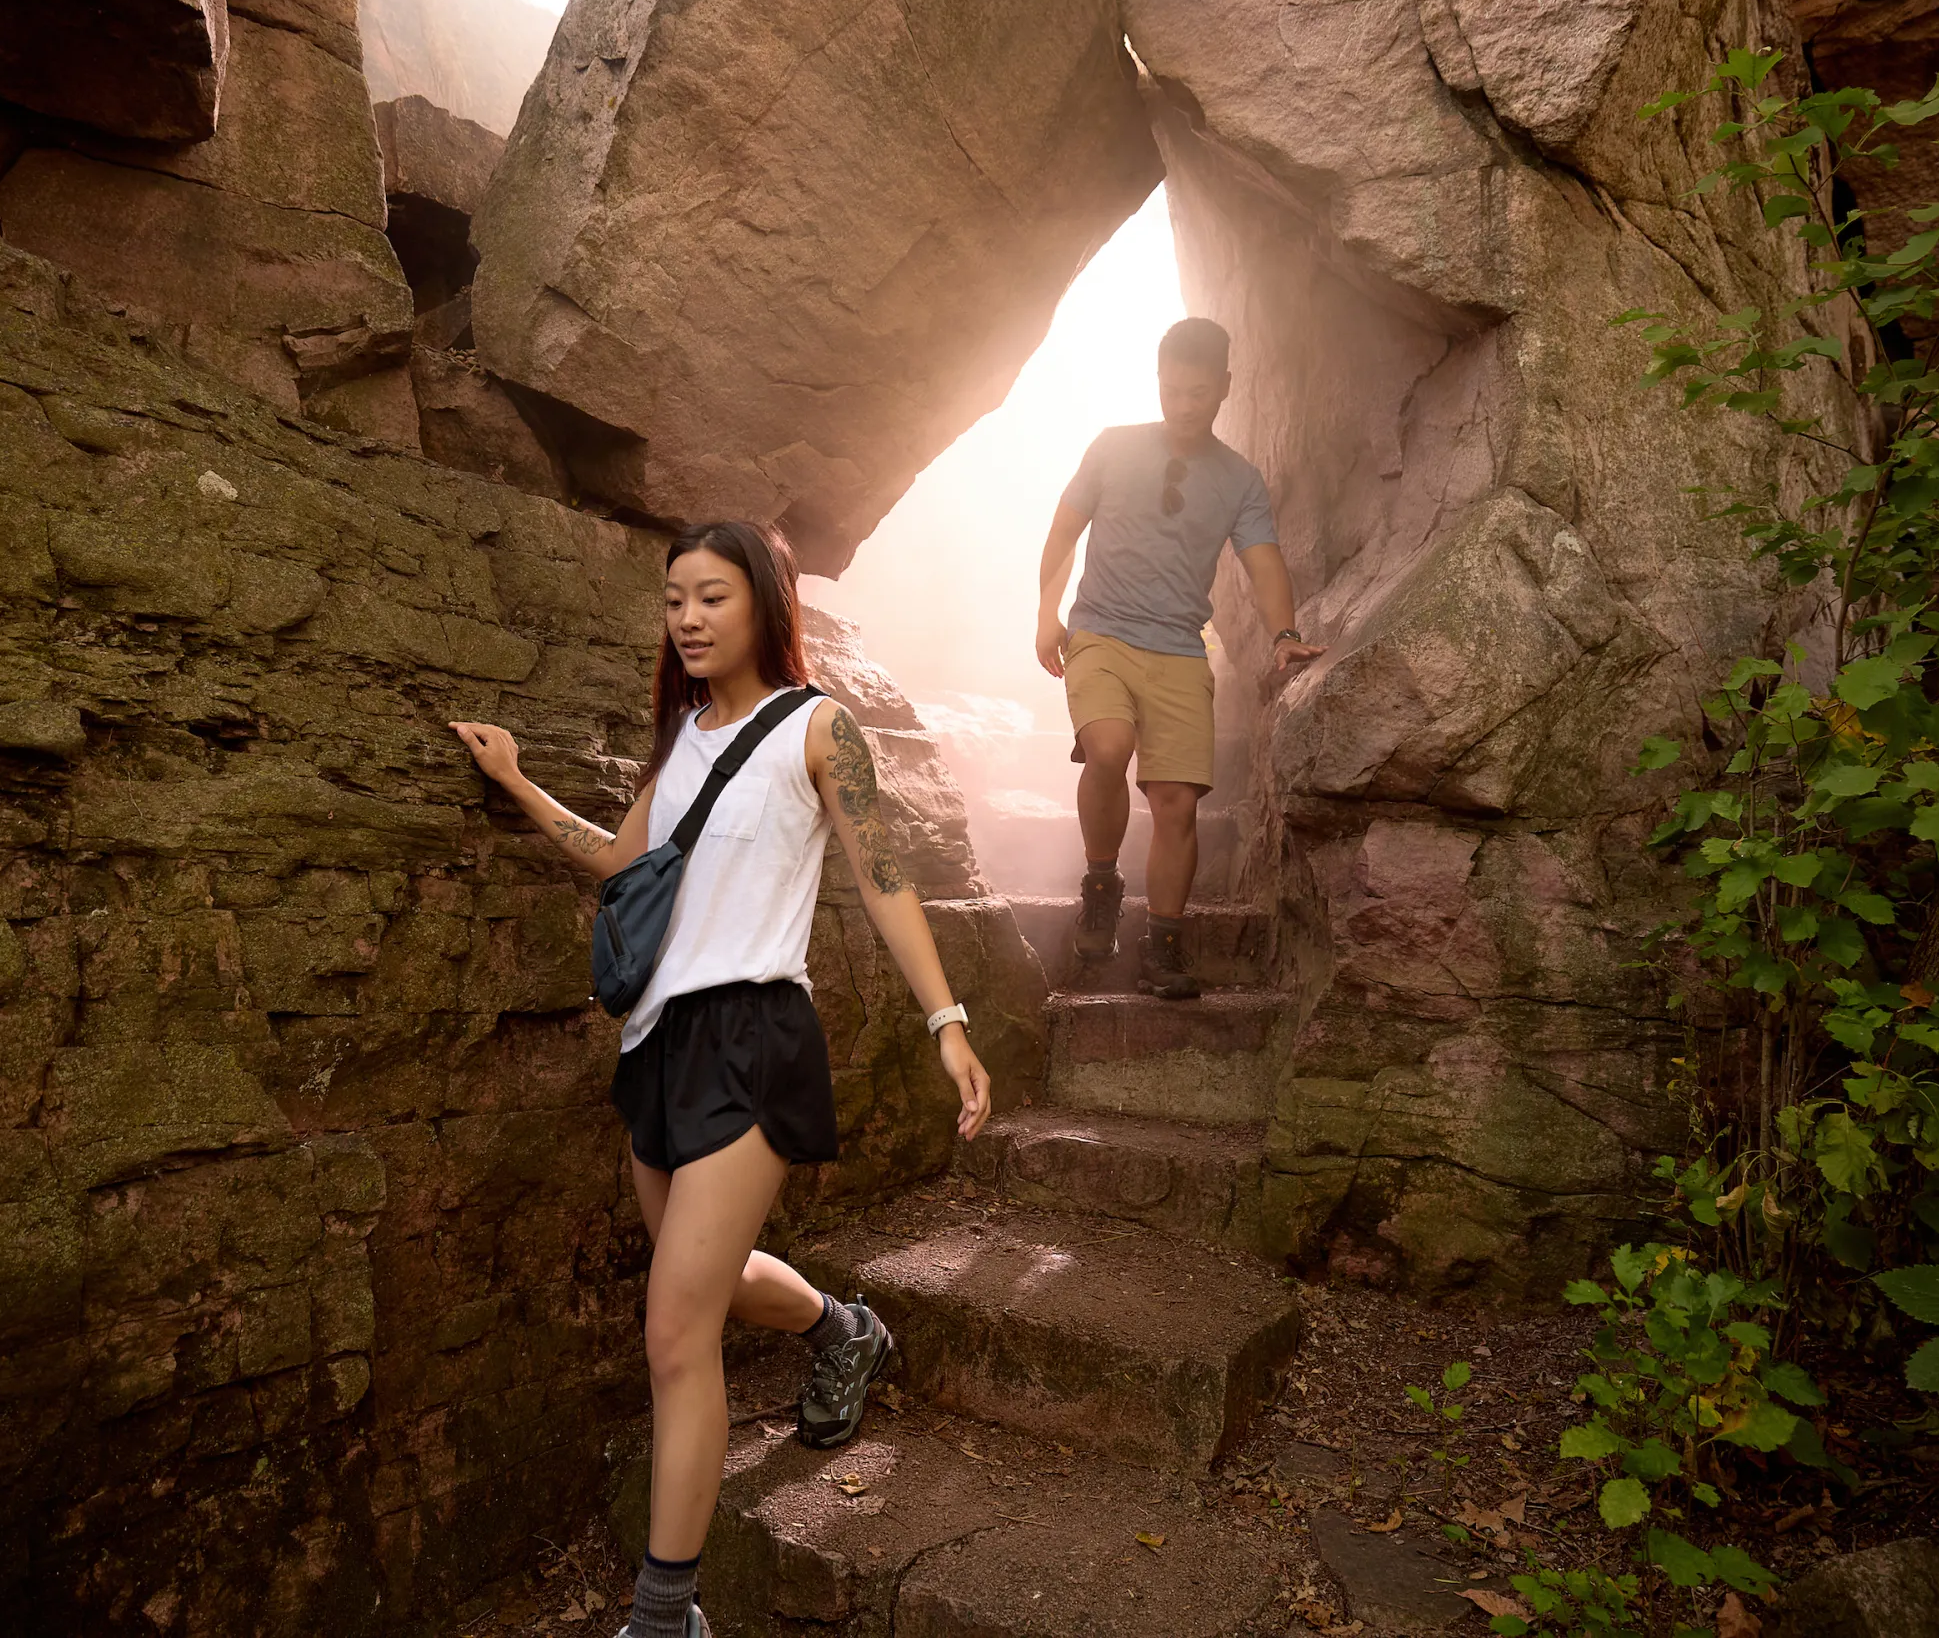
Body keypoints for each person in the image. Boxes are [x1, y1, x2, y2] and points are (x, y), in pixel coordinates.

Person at [451, 520, 993, 1638]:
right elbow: (621, 861)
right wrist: (516, 781)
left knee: (673, 1333)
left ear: (764, 603)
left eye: (712, 596)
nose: (689, 618)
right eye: (674, 600)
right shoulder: (683, 739)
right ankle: (843, 1328)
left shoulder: (818, 727)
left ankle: (665, 1618)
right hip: (656, 1044)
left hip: (753, 1035)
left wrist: (947, 1021)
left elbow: (883, 873)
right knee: (707, 1278)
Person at [1034, 316, 1327, 998]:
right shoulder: (1113, 447)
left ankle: (1162, 946)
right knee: (1108, 747)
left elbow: (1263, 562)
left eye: (1197, 392)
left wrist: (1283, 634)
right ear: (1158, 381)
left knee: (1176, 804)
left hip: (1178, 650)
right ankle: (1101, 887)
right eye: (1172, 391)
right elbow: (1063, 529)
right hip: (1101, 633)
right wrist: (1047, 614)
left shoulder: (1240, 480)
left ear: (1224, 386)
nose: (1184, 405)